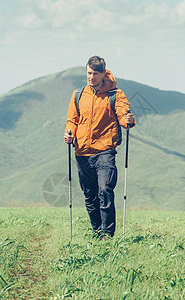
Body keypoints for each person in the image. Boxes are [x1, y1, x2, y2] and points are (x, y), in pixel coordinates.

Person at [64, 56, 135, 239]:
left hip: (105, 151)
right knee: (90, 195)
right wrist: (69, 133)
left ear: (104, 73)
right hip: (82, 152)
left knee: (105, 190)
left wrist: (128, 122)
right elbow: (73, 119)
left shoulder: (115, 94)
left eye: (96, 73)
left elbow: (123, 115)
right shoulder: (78, 94)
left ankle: (107, 234)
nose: (91, 77)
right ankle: (96, 231)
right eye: (89, 73)